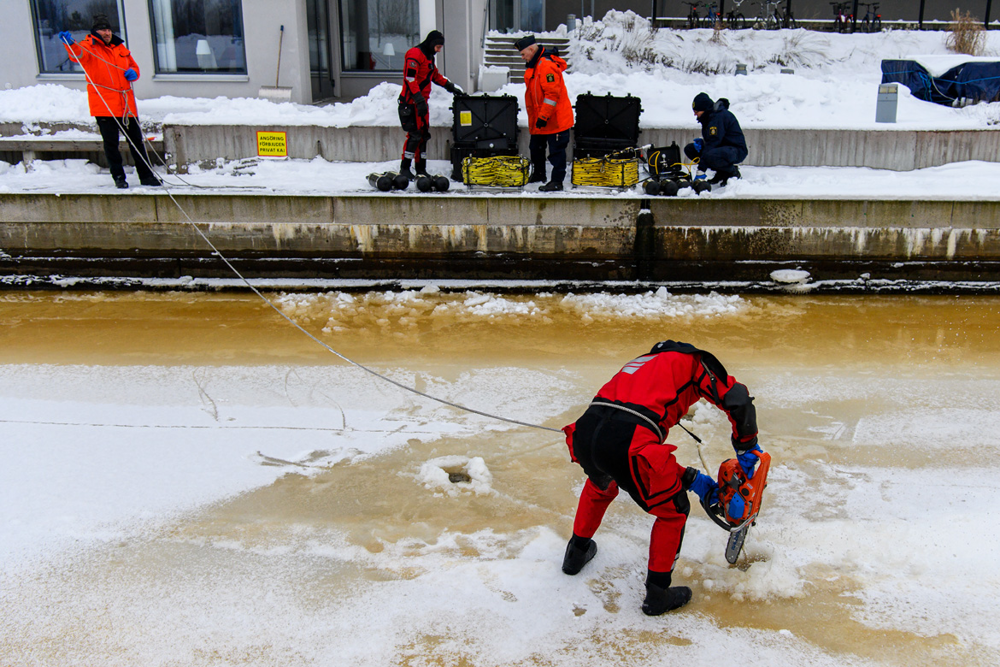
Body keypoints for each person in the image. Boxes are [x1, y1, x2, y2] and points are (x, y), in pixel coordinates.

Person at [560, 340, 763, 616]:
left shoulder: (643, 362)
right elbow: (737, 400)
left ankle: (575, 554)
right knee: (673, 511)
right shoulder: (693, 363)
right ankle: (657, 594)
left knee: (601, 484)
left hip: (586, 432)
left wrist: (692, 478)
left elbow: (635, 455)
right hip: (628, 439)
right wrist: (747, 448)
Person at [59, 15, 160, 189]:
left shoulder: (119, 46)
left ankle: (147, 176)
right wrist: (70, 44)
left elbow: (133, 66)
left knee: (137, 142)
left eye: (108, 29)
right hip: (104, 105)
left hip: (126, 104)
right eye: (102, 30)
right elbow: (78, 55)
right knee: (111, 144)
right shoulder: (88, 46)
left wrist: (134, 73)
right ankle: (119, 177)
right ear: (95, 31)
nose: (106, 33)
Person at [397, 30, 463, 180]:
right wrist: (418, 99)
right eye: (438, 47)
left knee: (423, 136)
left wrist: (451, 87)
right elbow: (410, 78)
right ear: (432, 43)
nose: (439, 50)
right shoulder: (415, 54)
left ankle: (421, 168)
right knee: (414, 135)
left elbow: (435, 76)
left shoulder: (429, 58)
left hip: (422, 104)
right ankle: (405, 168)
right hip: (410, 103)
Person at [514, 35, 573, 192]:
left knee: (556, 151)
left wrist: (543, 116)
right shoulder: (536, 65)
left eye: (523, 54)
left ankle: (557, 181)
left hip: (554, 119)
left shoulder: (546, 66)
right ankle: (539, 174)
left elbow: (552, 95)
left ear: (531, 50)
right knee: (536, 147)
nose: (522, 57)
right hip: (543, 118)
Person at [684, 92, 748, 186]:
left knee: (710, 155)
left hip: (736, 150)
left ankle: (732, 172)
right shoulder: (709, 117)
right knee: (690, 149)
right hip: (722, 148)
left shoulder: (718, 117)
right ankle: (721, 172)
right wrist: (702, 142)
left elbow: (713, 142)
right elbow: (714, 139)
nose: (695, 114)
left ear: (704, 109)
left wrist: (701, 170)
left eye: (697, 111)